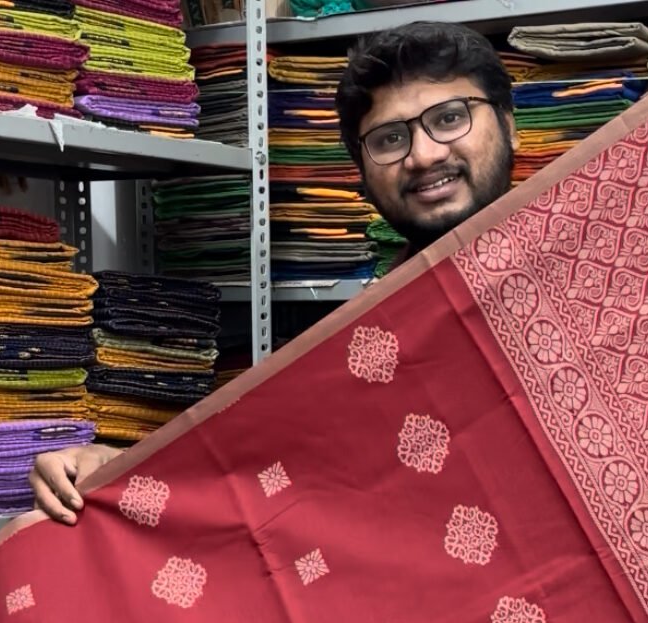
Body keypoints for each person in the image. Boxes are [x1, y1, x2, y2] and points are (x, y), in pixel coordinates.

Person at [30, 22, 519, 524]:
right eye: (391, 138)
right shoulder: (362, 349)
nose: (424, 155)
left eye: (450, 118)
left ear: (508, 124)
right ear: (363, 172)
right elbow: (257, 461)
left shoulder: (597, 288)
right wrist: (114, 469)